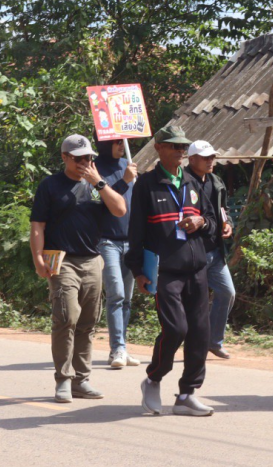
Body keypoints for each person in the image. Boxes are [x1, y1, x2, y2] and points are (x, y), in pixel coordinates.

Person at [127, 125, 218, 417]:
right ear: (158, 147)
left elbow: (212, 220)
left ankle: (187, 394)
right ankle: (153, 378)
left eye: (183, 147)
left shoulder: (193, 181)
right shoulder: (146, 184)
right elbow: (136, 232)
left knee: (200, 333)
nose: (180, 152)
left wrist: (201, 222)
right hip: (164, 271)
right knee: (176, 329)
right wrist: (138, 271)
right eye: (174, 147)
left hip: (197, 269)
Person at [30, 134, 128, 403]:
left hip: (93, 260)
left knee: (88, 322)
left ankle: (81, 380)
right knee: (66, 318)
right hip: (62, 261)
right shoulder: (50, 186)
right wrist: (38, 258)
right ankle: (63, 379)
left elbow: (120, 209)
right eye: (78, 158)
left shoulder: (98, 185)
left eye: (89, 157)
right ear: (64, 158)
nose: (85, 162)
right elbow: (38, 225)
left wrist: (99, 182)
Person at [187, 140, 235, 359]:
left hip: (215, 251)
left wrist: (228, 225)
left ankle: (214, 341)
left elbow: (223, 210)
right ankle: (192, 343)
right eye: (206, 157)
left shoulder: (216, 182)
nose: (211, 161)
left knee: (227, 292)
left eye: (212, 157)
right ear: (192, 159)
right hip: (191, 251)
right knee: (194, 301)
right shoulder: (182, 182)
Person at [94, 138, 139, 369]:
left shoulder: (128, 164)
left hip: (131, 241)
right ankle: (117, 349)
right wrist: (124, 182)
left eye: (123, 141)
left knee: (128, 299)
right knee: (116, 295)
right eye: (116, 142)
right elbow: (100, 202)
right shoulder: (94, 168)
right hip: (106, 241)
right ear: (104, 143)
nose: (122, 145)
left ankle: (121, 347)